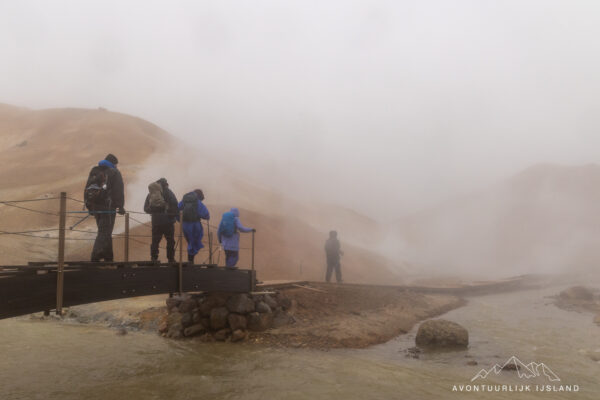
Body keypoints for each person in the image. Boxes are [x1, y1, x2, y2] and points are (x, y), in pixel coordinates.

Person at [84, 153, 125, 262]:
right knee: (105, 231)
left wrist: (89, 207)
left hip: (95, 206)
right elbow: (118, 190)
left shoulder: (95, 170)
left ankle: (108, 256)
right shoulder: (114, 172)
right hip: (108, 207)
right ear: (114, 163)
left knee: (105, 231)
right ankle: (95, 256)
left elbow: (87, 188)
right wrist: (120, 206)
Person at [144, 178, 178, 262]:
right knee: (170, 241)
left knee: (155, 241)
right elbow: (175, 204)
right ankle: (171, 259)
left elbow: (145, 208)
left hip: (156, 222)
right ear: (166, 184)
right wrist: (173, 215)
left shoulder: (151, 194)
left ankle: (154, 258)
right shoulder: (168, 192)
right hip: (168, 222)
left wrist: (154, 212)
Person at [178, 189, 210, 264]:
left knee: (190, 241)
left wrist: (180, 220)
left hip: (185, 225)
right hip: (195, 224)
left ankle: (190, 260)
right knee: (195, 241)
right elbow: (206, 214)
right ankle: (191, 260)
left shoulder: (184, 200)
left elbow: (177, 209)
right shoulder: (198, 202)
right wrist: (206, 217)